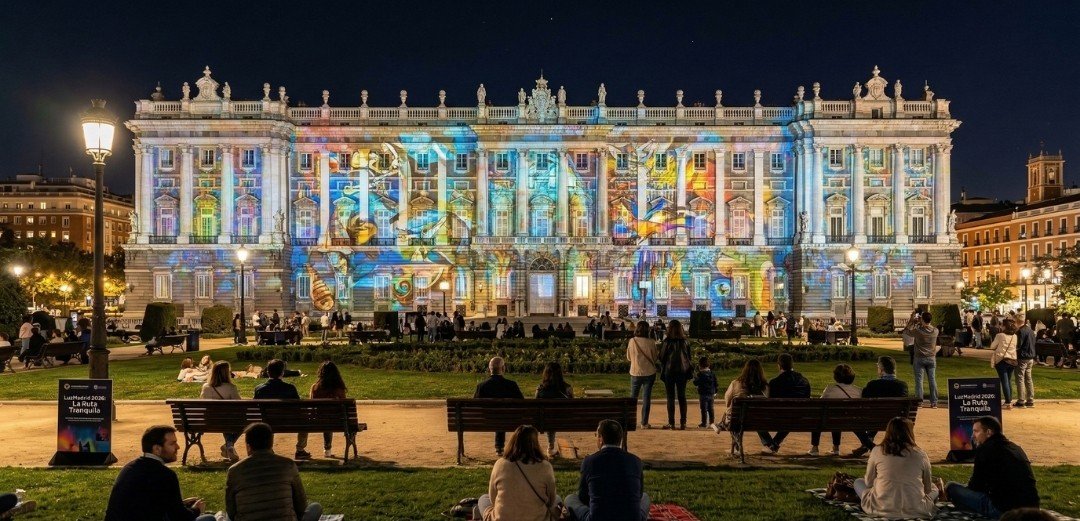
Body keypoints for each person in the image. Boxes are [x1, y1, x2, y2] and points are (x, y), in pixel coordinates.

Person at [105, 425, 216, 521]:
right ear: (157, 449)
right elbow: (180, 518)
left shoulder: (129, 467)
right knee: (209, 518)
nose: (178, 447)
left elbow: (150, 504)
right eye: (172, 444)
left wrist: (180, 504)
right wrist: (196, 509)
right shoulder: (165, 475)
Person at [945, 416, 1039, 517]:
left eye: (976, 431)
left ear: (989, 432)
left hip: (1004, 510)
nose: (973, 436)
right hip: (1032, 508)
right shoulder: (1016, 448)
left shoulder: (985, 450)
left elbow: (976, 487)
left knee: (951, 487)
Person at [226, 422, 323, 521]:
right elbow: (301, 507)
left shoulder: (235, 471)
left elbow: (231, 512)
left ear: (248, 446)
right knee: (316, 507)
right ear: (271, 443)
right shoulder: (288, 465)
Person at [853, 417, 939, 519]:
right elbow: (928, 489)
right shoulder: (921, 454)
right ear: (910, 432)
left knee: (858, 482)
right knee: (935, 487)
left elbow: (868, 483)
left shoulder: (877, 451)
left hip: (881, 507)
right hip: (916, 508)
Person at [565, 420, 650, 521]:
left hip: (597, 518)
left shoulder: (590, 461)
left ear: (601, 438)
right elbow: (639, 495)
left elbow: (583, 497)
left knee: (570, 498)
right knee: (645, 497)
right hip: (632, 518)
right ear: (620, 438)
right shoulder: (635, 461)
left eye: (596, 435)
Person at [475, 425, 559, 521]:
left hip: (502, 518)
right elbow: (551, 500)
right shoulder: (545, 466)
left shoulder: (500, 464)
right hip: (537, 517)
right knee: (558, 499)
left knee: (483, 499)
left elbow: (492, 498)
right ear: (535, 443)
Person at [808, 364, 874, 456]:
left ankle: (815, 448)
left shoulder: (830, 389)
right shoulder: (858, 391)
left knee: (821, 415)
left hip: (830, 421)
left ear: (836, 377)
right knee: (841, 415)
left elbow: (820, 405)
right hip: (852, 422)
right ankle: (837, 448)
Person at [253, 359, 310, 460]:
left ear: (267, 372)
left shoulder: (259, 389)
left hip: (267, 423)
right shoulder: (290, 388)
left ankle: (268, 449)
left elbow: (254, 408)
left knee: (263, 420)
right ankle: (300, 449)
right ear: (282, 373)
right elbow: (299, 408)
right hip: (288, 422)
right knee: (305, 421)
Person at [758, 353, 811, 453]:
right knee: (791, 416)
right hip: (800, 418)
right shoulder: (804, 381)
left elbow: (769, 403)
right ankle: (774, 443)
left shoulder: (774, 382)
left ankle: (770, 444)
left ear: (779, 366)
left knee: (755, 419)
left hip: (779, 418)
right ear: (792, 365)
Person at [475, 357, 524, 456]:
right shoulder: (511, 385)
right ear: (503, 368)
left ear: (489, 369)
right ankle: (502, 447)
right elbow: (522, 403)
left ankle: (499, 447)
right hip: (508, 419)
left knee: (498, 415)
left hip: (486, 420)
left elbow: (474, 405)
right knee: (503, 415)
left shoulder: (482, 386)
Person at [859, 356, 909, 453]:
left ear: (881, 369)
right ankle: (869, 442)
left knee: (858, 421)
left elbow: (863, 401)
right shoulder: (902, 386)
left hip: (874, 420)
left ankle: (871, 445)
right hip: (896, 421)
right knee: (882, 414)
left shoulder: (873, 385)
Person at [201, 361, 242, 462]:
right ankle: (229, 444)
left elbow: (202, 403)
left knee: (225, 420)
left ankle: (228, 445)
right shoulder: (231, 388)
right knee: (243, 422)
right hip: (226, 420)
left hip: (209, 421)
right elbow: (240, 405)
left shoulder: (206, 387)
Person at [658, 320, 692, 430]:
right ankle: (683, 423)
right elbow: (689, 358)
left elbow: (662, 357)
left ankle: (671, 423)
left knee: (670, 397)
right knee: (682, 397)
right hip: (682, 372)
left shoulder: (667, 341)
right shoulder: (685, 342)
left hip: (669, 372)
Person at [309, 361, 348, 458]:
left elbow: (312, 405)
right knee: (329, 418)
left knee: (326, 418)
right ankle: (328, 449)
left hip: (319, 420)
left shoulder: (315, 388)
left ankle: (327, 449)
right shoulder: (339, 389)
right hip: (337, 421)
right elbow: (344, 405)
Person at [535, 362, 573, 456]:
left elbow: (535, 406)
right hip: (566, 421)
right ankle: (550, 448)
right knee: (552, 418)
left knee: (548, 417)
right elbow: (572, 405)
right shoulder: (567, 388)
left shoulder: (540, 389)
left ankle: (550, 447)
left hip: (545, 421)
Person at [626, 321, 658, 429]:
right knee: (646, 398)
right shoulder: (651, 342)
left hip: (635, 372)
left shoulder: (632, 341)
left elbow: (628, 357)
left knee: (633, 398)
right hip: (649, 372)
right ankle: (644, 422)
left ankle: (630, 420)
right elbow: (654, 358)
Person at [905, 311, 939, 408]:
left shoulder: (918, 331)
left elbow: (907, 331)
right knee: (932, 380)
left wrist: (912, 320)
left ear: (922, 319)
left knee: (919, 381)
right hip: (931, 358)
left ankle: (919, 402)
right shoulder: (935, 331)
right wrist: (921, 322)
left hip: (919, 358)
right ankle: (934, 402)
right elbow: (928, 327)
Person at [990, 318, 1019, 409]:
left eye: (1002, 324)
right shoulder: (1015, 336)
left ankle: (1007, 402)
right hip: (1012, 360)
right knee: (1008, 381)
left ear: (1005, 326)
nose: (1001, 326)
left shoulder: (1000, 335)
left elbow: (992, 346)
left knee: (1004, 381)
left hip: (1002, 360)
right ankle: (1009, 400)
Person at [1015, 316, 1037, 408]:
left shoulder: (1020, 331)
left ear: (1017, 322)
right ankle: (1030, 400)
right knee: (1028, 378)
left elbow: (1018, 345)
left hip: (1022, 356)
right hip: (1030, 356)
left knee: (1020, 378)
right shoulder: (1030, 330)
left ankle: (1021, 400)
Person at [692, 356, 718, 429]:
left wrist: (694, 377)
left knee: (704, 409)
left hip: (703, 394)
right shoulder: (712, 373)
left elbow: (696, 383)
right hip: (711, 393)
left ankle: (704, 423)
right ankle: (712, 422)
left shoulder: (700, 374)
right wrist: (715, 391)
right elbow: (716, 383)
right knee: (711, 408)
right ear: (708, 365)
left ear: (700, 366)